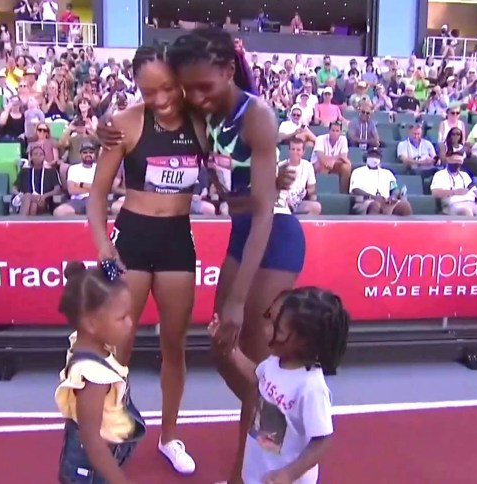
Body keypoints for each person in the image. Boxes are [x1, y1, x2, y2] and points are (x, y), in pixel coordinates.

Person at [169, 27, 306, 483]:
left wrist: (237, 300)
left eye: (205, 87)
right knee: (223, 348)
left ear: (229, 71)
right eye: (189, 88)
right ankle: (275, 423)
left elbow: (264, 213)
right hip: (241, 231)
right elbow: (235, 197)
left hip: (274, 237)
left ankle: (248, 471)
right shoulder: (204, 112)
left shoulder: (257, 115)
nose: (197, 97)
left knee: (254, 359)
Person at [87, 44, 203, 475]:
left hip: (176, 242)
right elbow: (97, 195)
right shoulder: (126, 123)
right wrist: (104, 247)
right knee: (120, 344)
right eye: (149, 92)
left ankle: (170, 436)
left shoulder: (201, 122)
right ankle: (113, 431)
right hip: (131, 241)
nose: (161, 100)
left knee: (174, 345)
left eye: (167, 88)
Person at [208, 286, 349, 484]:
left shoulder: (310, 388)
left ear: (304, 341)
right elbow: (258, 377)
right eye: (269, 320)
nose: (266, 330)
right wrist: (230, 349)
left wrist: (289, 474)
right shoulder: (276, 361)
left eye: (277, 328)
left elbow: (322, 440)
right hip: (259, 466)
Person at [54, 260, 143, 484]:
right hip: (90, 471)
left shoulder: (87, 342)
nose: (130, 324)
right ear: (91, 324)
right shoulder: (93, 377)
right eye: (122, 318)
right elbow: (92, 440)